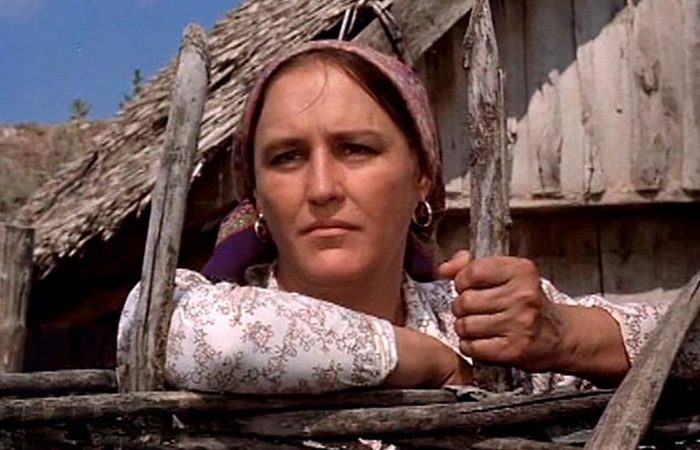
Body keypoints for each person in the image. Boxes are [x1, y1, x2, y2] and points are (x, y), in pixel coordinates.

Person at [117, 40, 667, 395]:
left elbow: (685, 339)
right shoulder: (198, 308)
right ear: (256, 196)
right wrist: (429, 361)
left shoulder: (480, 326)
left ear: (422, 175)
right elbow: (204, 339)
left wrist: (564, 334)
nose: (322, 189)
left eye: (356, 149)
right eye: (287, 158)